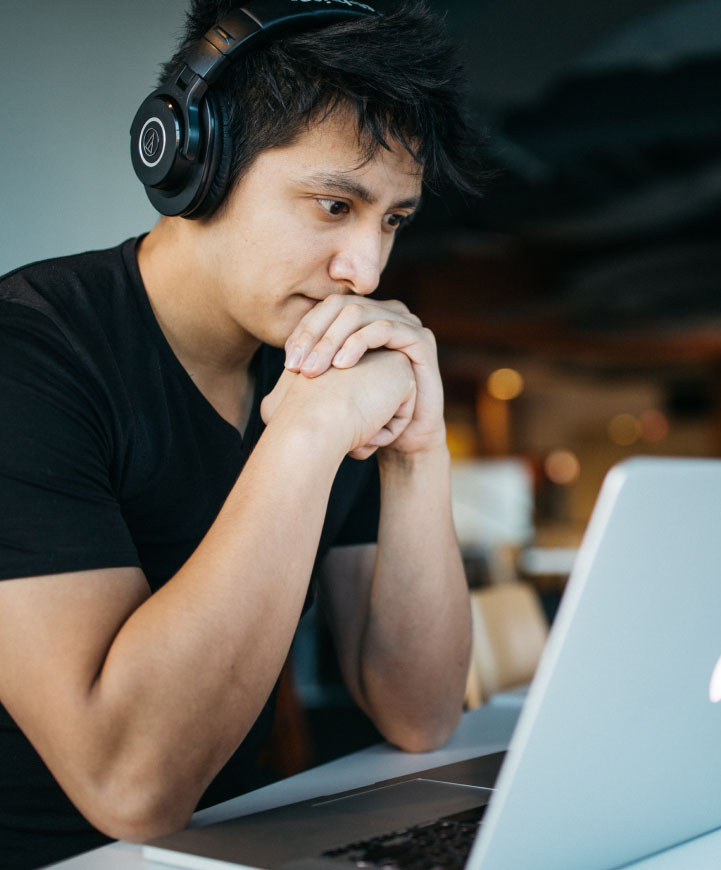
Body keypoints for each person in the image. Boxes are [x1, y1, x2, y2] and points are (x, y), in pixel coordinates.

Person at [0, 2, 487, 867]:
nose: (366, 271)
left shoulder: (324, 363)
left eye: (392, 221)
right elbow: (128, 788)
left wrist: (420, 447)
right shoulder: (29, 359)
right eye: (334, 204)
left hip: (232, 850)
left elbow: (420, 714)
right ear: (196, 164)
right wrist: (303, 437)